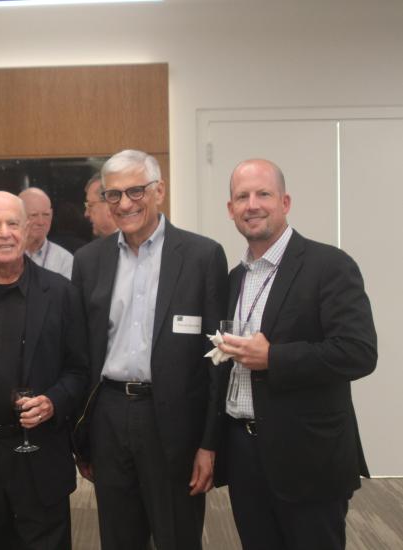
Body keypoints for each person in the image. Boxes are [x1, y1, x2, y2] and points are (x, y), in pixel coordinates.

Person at [215, 159, 377, 550]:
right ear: (231, 209)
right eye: (242, 197)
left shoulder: (329, 265)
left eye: (263, 194)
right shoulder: (234, 279)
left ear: (285, 202)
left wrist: (274, 358)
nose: (252, 204)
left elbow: (358, 352)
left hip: (308, 457)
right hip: (244, 453)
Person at [72, 149, 228, 550]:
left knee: (177, 535)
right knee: (118, 537)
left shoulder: (202, 256)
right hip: (109, 416)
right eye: (113, 194)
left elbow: (218, 360)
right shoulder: (88, 261)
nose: (125, 204)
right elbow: (81, 354)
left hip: (174, 421)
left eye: (136, 191)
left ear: (159, 190)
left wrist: (210, 442)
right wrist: (82, 436)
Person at [0, 191, 88, 550]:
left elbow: (80, 371)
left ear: (27, 230)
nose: (5, 233)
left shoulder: (61, 293)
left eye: (13, 223)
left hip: (40, 453)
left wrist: (53, 402)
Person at [19, 187, 74, 279]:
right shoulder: (5, 255)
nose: (41, 222)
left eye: (46, 215)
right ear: (19, 216)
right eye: (34, 215)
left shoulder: (65, 260)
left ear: (51, 215)